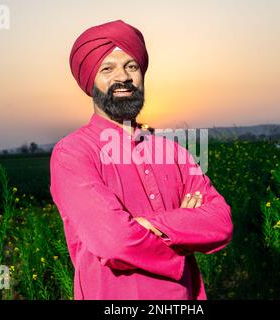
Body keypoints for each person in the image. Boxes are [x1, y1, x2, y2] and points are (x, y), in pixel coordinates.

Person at [49, 19, 233, 300]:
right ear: (90, 80)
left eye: (131, 66)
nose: (123, 77)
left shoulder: (172, 152)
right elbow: (114, 241)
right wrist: (184, 226)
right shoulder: (72, 154)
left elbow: (220, 223)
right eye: (107, 68)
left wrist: (151, 224)